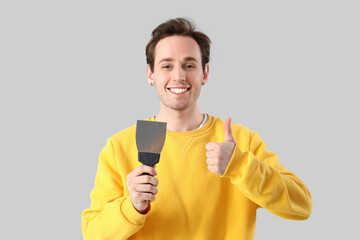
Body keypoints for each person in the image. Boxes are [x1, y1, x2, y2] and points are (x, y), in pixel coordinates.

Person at [82, 17, 312, 240]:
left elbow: (301, 206)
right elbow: (93, 234)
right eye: (167, 65)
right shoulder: (119, 146)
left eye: (189, 65)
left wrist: (240, 165)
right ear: (151, 74)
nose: (179, 76)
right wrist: (131, 206)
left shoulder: (242, 141)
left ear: (205, 74)